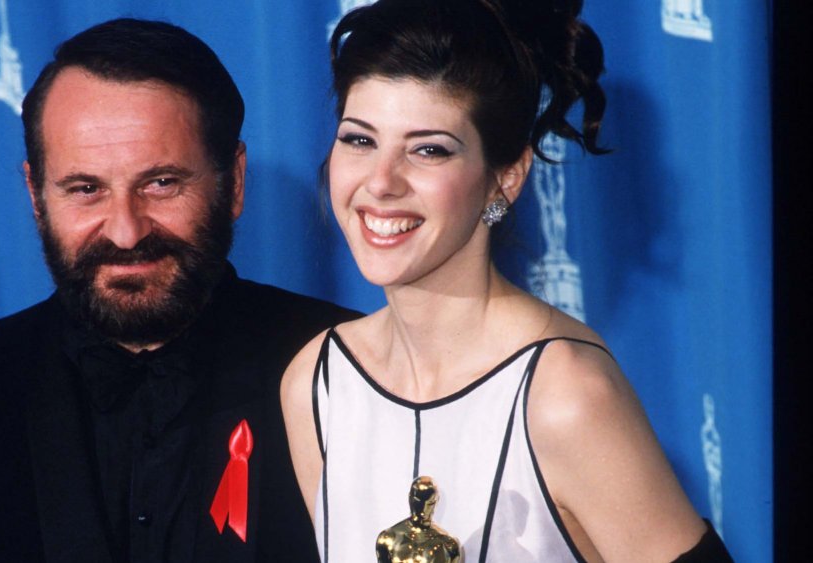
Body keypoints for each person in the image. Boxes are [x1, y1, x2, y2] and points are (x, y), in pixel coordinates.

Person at [0, 18, 356, 562]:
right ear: (35, 194)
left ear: (233, 182)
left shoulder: (354, 375)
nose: (126, 231)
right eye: (85, 189)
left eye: (161, 183)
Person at [281, 0, 732, 561]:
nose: (381, 182)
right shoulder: (317, 384)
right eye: (360, 139)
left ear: (506, 177)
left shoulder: (566, 395)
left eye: (428, 149)